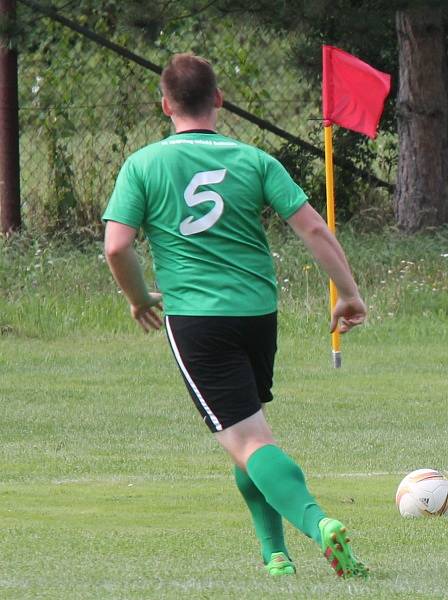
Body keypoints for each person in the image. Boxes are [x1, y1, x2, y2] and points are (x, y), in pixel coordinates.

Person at [102, 52, 369, 578]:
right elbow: (314, 229)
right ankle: (275, 555)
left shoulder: (144, 164)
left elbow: (117, 247)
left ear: (165, 105)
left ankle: (319, 526)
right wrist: (347, 292)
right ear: (219, 100)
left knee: (249, 439)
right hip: (257, 315)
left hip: (197, 319)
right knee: (247, 434)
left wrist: (138, 298)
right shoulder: (254, 160)